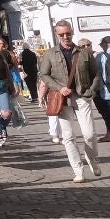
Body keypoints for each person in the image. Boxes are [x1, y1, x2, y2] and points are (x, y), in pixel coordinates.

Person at [38, 20, 102, 183]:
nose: (65, 37)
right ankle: (78, 170)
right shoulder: (50, 54)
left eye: (68, 33)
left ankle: (92, 159)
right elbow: (44, 75)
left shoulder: (84, 52)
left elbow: (96, 73)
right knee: (68, 136)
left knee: (90, 134)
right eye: (61, 34)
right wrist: (59, 88)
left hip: (82, 96)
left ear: (72, 32)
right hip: (62, 99)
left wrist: (92, 91)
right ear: (56, 34)